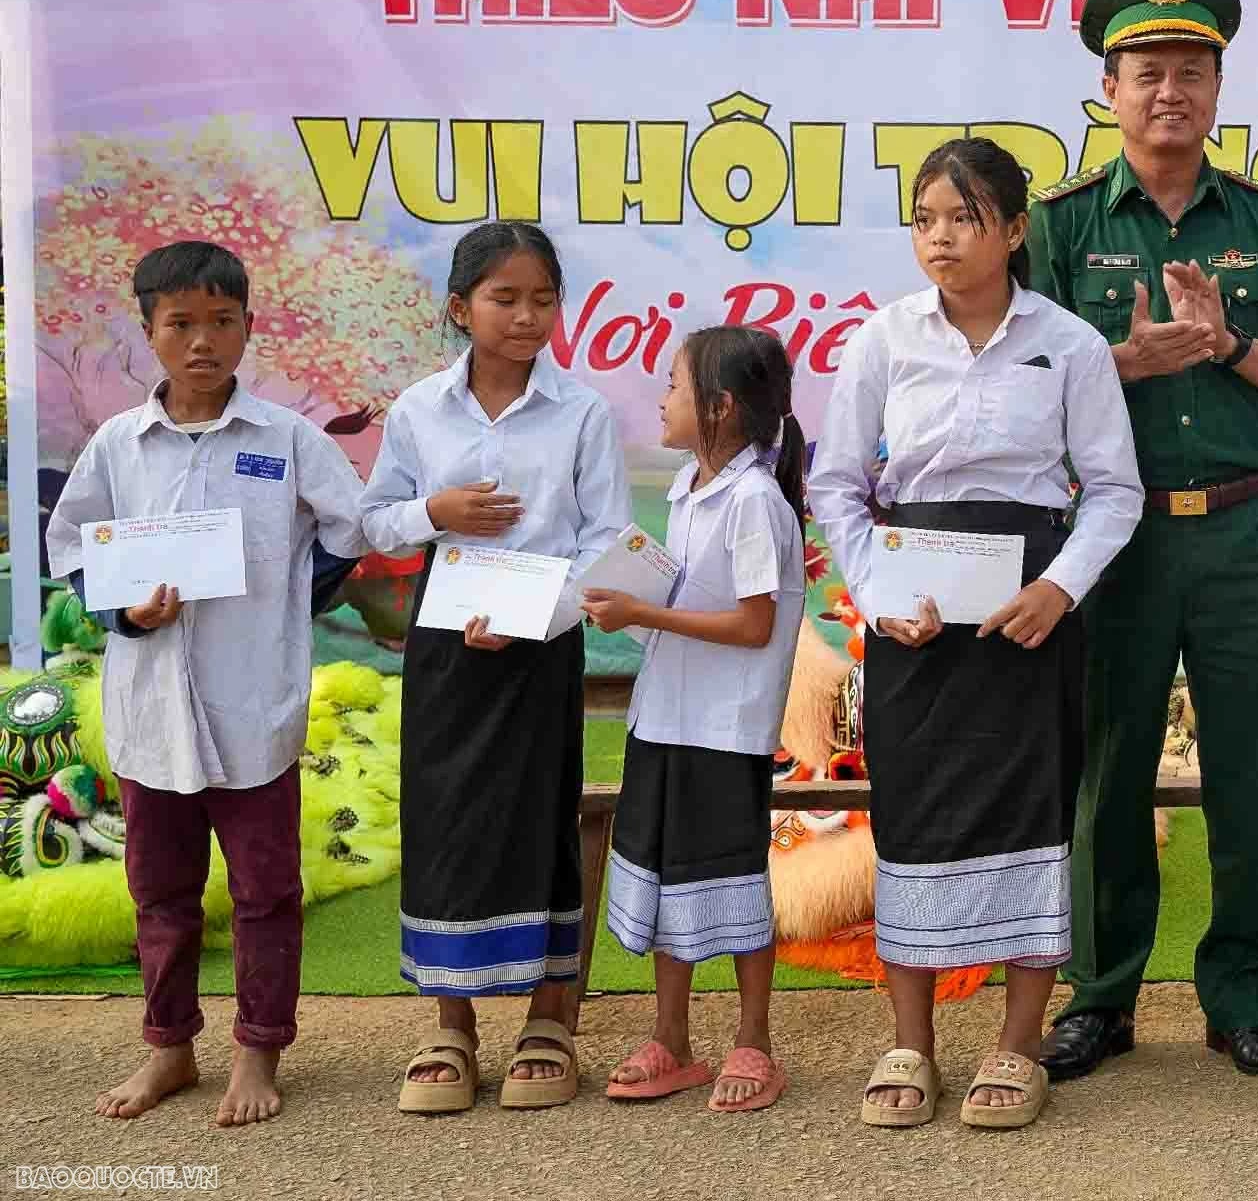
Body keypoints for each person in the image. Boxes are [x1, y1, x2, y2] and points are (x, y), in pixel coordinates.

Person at [1030, 0, 1258, 1085]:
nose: (1170, 90)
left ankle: (1250, 997)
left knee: (1253, 769)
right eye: (1146, 68)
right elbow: (1022, 378)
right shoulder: (1058, 224)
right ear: (1107, 89)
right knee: (1107, 771)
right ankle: (1101, 996)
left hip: (1253, 530)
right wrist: (1128, 358)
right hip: (1113, 534)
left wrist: (1228, 345)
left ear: (1219, 89)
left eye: (1192, 69)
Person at [810, 137, 1142, 1129]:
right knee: (914, 812)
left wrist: (1061, 589)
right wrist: (874, 593)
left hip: (1028, 615)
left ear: (1011, 228)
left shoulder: (1068, 344)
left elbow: (1115, 493)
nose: (941, 237)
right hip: (914, 618)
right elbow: (837, 486)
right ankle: (911, 1041)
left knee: (1033, 809)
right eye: (924, 219)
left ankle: (1015, 1044)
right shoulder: (883, 339)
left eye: (962, 217)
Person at [47, 241, 367, 1127]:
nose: (202, 341)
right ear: (148, 331)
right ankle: (169, 1050)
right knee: (160, 890)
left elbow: (348, 527)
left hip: (252, 708)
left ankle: (258, 1052)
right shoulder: (119, 443)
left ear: (248, 328)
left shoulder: (286, 439)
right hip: (151, 713)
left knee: (266, 892)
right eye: (180, 323)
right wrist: (123, 615)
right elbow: (73, 544)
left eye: (221, 322)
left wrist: (285, 603)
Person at [363, 222, 629, 1113]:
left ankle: (550, 1018)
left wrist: (532, 621)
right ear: (459, 306)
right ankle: (452, 1027)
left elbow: (604, 548)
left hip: (541, 641)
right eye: (504, 299)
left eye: (542, 299)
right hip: (445, 640)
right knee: (446, 818)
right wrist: (432, 511)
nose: (525, 317)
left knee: (540, 810)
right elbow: (374, 521)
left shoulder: (582, 412)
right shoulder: (417, 410)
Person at [585, 326, 809, 1113]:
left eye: (674, 387)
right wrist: (633, 609)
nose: (661, 400)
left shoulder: (753, 502)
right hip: (664, 718)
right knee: (664, 876)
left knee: (731, 877)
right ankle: (671, 1039)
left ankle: (754, 1041)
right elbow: (684, 610)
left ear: (718, 408)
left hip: (724, 729)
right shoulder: (686, 490)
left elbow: (752, 626)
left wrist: (642, 607)